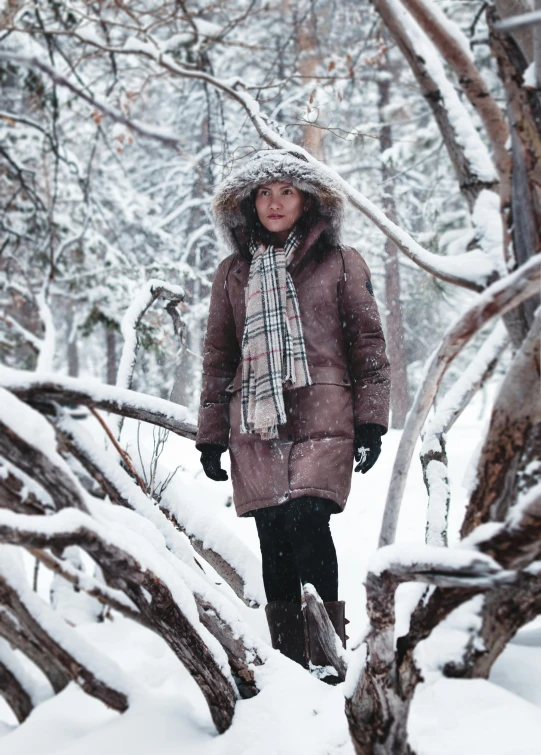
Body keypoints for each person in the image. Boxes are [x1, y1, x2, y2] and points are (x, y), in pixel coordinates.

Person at [195, 150, 390, 674]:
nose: (274, 202)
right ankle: (289, 663)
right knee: (274, 537)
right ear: (248, 204)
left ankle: (327, 659)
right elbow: (219, 357)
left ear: (307, 200)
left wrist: (371, 419)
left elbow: (368, 347)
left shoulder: (342, 263)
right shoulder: (233, 273)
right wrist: (210, 433)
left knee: (307, 520)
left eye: (286, 191)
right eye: (263, 193)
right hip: (254, 421)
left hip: (324, 413)